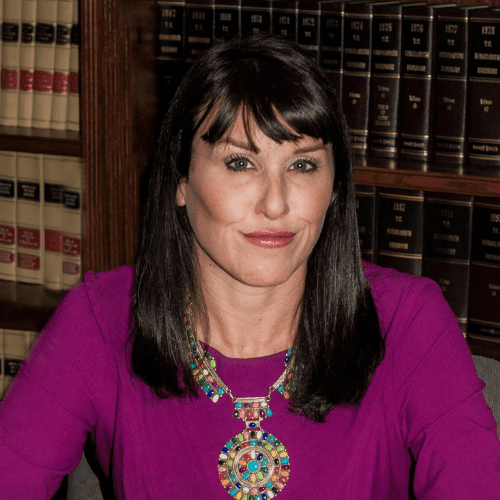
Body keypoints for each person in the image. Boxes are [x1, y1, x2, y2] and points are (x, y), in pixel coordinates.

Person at [1, 32, 499, 500]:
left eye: (303, 164)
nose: (276, 204)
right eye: (241, 163)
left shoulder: (408, 320)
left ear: (334, 187)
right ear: (180, 179)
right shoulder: (99, 321)